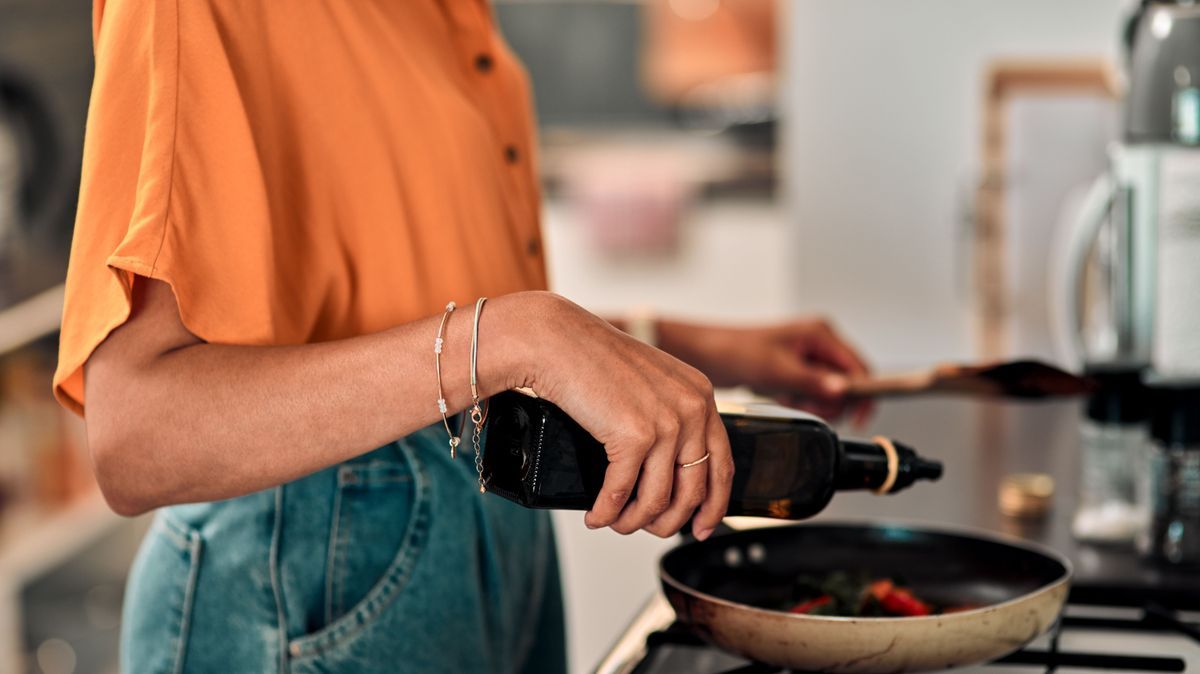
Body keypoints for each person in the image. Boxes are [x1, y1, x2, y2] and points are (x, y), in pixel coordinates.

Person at [53, 2, 870, 672]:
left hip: (487, 531)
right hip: (310, 578)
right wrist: (522, 335)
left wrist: (689, 345)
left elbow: (435, 322)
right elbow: (137, 435)